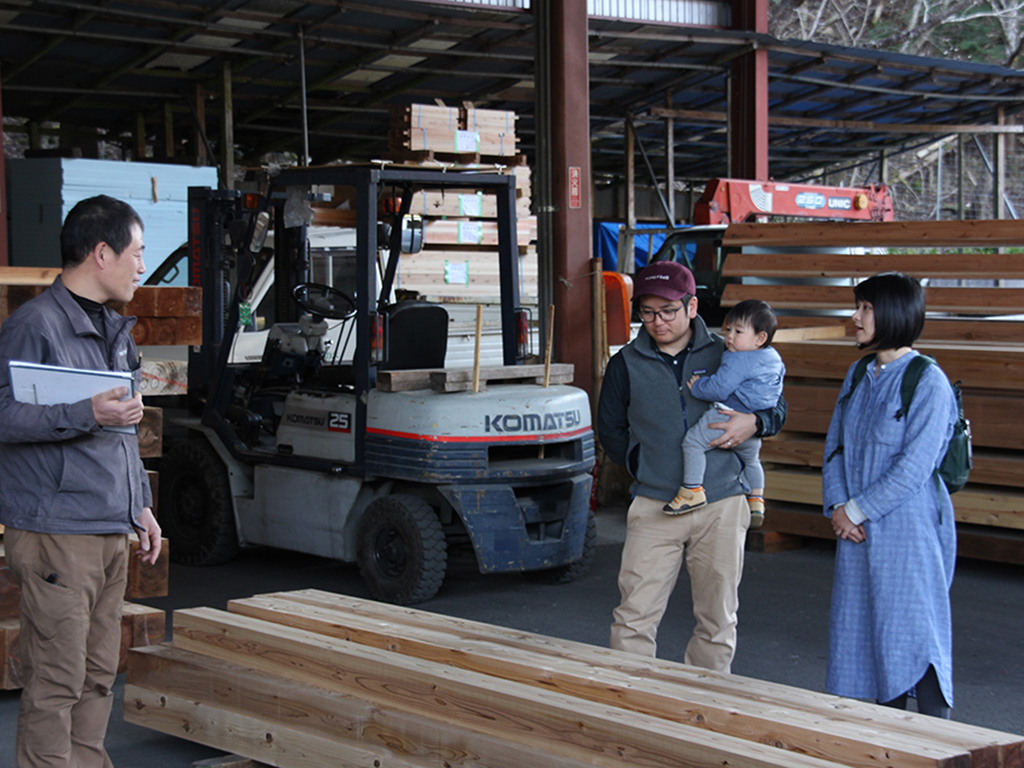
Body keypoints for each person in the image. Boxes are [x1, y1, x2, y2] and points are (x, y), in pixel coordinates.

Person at [0, 195, 162, 768]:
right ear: (102, 252)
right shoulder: (35, 326)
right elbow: (3, 417)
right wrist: (85, 413)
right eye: (137, 253)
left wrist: (140, 503)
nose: (142, 266)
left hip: (108, 527)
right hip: (56, 533)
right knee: (58, 679)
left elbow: (124, 430)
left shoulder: (116, 330)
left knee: (98, 676)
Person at [597, 261, 787, 672]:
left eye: (667, 311)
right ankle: (626, 714)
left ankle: (703, 715)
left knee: (717, 620)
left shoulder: (728, 350)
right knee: (633, 617)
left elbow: (777, 405)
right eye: (647, 312)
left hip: (721, 503)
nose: (657, 321)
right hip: (654, 504)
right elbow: (609, 429)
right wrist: (642, 463)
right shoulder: (625, 364)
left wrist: (755, 422)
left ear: (692, 306)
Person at [823, 271, 957, 718]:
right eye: (858, 306)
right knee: (862, 634)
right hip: (856, 530)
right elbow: (836, 446)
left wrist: (857, 510)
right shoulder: (860, 372)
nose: (855, 317)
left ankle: (935, 744)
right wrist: (839, 507)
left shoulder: (927, 380)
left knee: (915, 635)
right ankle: (877, 744)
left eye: (865, 308)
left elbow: (917, 467)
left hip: (908, 529)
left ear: (894, 314)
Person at [664, 299, 785, 529]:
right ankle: (757, 499)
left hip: (727, 414)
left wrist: (698, 385)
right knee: (752, 461)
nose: (729, 336)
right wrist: (758, 420)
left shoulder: (738, 358)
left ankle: (692, 490)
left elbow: (719, 387)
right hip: (753, 425)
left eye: (738, 331)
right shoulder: (773, 358)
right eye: (728, 329)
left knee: (693, 443)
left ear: (760, 338)